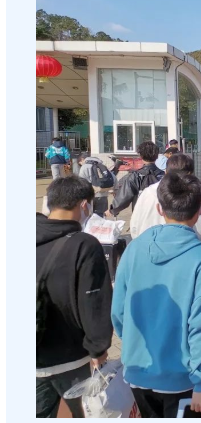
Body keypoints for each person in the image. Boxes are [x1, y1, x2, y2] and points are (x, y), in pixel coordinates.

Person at [112, 173, 201, 418]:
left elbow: (119, 311)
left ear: (159, 209)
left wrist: (134, 344)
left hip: (138, 369)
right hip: (183, 379)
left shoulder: (134, 248)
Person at [37, 177, 112, 418]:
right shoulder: (85, 245)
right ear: (84, 205)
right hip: (71, 357)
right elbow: (94, 303)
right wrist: (98, 349)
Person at [130, 154, 201, 243]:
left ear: (166, 171)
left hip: (147, 244)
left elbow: (134, 227)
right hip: (181, 246)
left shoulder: (148, 192)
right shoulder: (191, 193)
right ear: (190, 174)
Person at [108, 141, 165, 217]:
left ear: (141, 156)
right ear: (157, 156)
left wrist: (112, 210)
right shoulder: (164, 176)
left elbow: (124, 197)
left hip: (140, 214)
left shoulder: (135, 176)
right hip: (161, 215)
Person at [77, 153, 114, 217]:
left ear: (82, 159)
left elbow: (81, 183)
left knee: (89, 217)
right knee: (101, 217)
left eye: (80, 164)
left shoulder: (84, 167)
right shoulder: (102, 165)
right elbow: (112, 177)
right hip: (103, 195)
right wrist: (115, 190)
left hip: (90, 196)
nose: (81, 165)